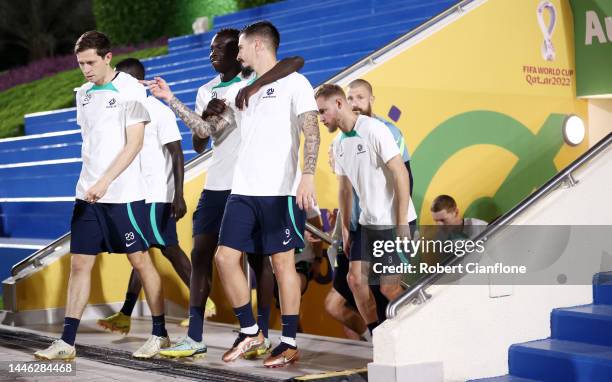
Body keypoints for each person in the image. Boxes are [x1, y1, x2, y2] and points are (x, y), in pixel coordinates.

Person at [144, 27, 304, 359]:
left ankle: (262, 335)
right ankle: (197, 334)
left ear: (240, 51)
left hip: (256, 185)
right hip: (219, 184)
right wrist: (180, 103)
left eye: (220, 49)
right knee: (204, 255)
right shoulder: (209, 90)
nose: (211, 54)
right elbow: (201, 138)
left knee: (264, 261)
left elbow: (294, 60)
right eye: (211, 49)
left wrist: (256, 84)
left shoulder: (257, 80)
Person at [34, 31, 168, 360]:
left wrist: (106, 180)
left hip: (123, 195)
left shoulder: (131, 89)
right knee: (79, 265)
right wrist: (91, 183)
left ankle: (160, 333)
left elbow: (134, 143)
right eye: (80, 63)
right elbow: (92, 143)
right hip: (87, 196)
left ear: (108, 57)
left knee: (141, 262)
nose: (86, 69)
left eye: (91, 62)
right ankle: (66, 342)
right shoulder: (82, 93)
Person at [198, 21, 320, 368]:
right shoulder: (243, 90)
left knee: (282, 265)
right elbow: (206, 133)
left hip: (280, 191)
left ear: (258, 46)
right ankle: (251, 331)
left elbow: (311, 132)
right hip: (243, 190)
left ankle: (289, 341)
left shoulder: (296, 83)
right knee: (224, 258)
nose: (236, 53)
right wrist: (181, 107)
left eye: (240, 47)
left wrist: (307, 176)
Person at [96, 58, 192, 335]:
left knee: (167, 249)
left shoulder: (157, 111)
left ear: (137, 82)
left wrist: (179, 195)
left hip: (157, 194)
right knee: (139, 254)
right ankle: (126, 313)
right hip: (138, 195)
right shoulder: (122, 112)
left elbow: (177, 152)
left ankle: (201, 302)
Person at [316, 84, 417, 338]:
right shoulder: (338, 143)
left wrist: (402, 221)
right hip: (366, 224)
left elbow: (401, 173)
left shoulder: (374, 129)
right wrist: (347, 232)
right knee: (355, 281)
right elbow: (345, 190)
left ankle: (421, 329)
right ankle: (377, 336)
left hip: (393, 222)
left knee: (389, 289)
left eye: (323, 111)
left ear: (339, 104)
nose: (321, 118)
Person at [346, 79, 413, 195]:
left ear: (371, 100)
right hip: (361, 210)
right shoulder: (344, 135)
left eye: (360, 97)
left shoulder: (390, 130)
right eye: (350, 99)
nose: (354, 104)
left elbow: (405, 174)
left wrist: (403, 212)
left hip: (388, 209)